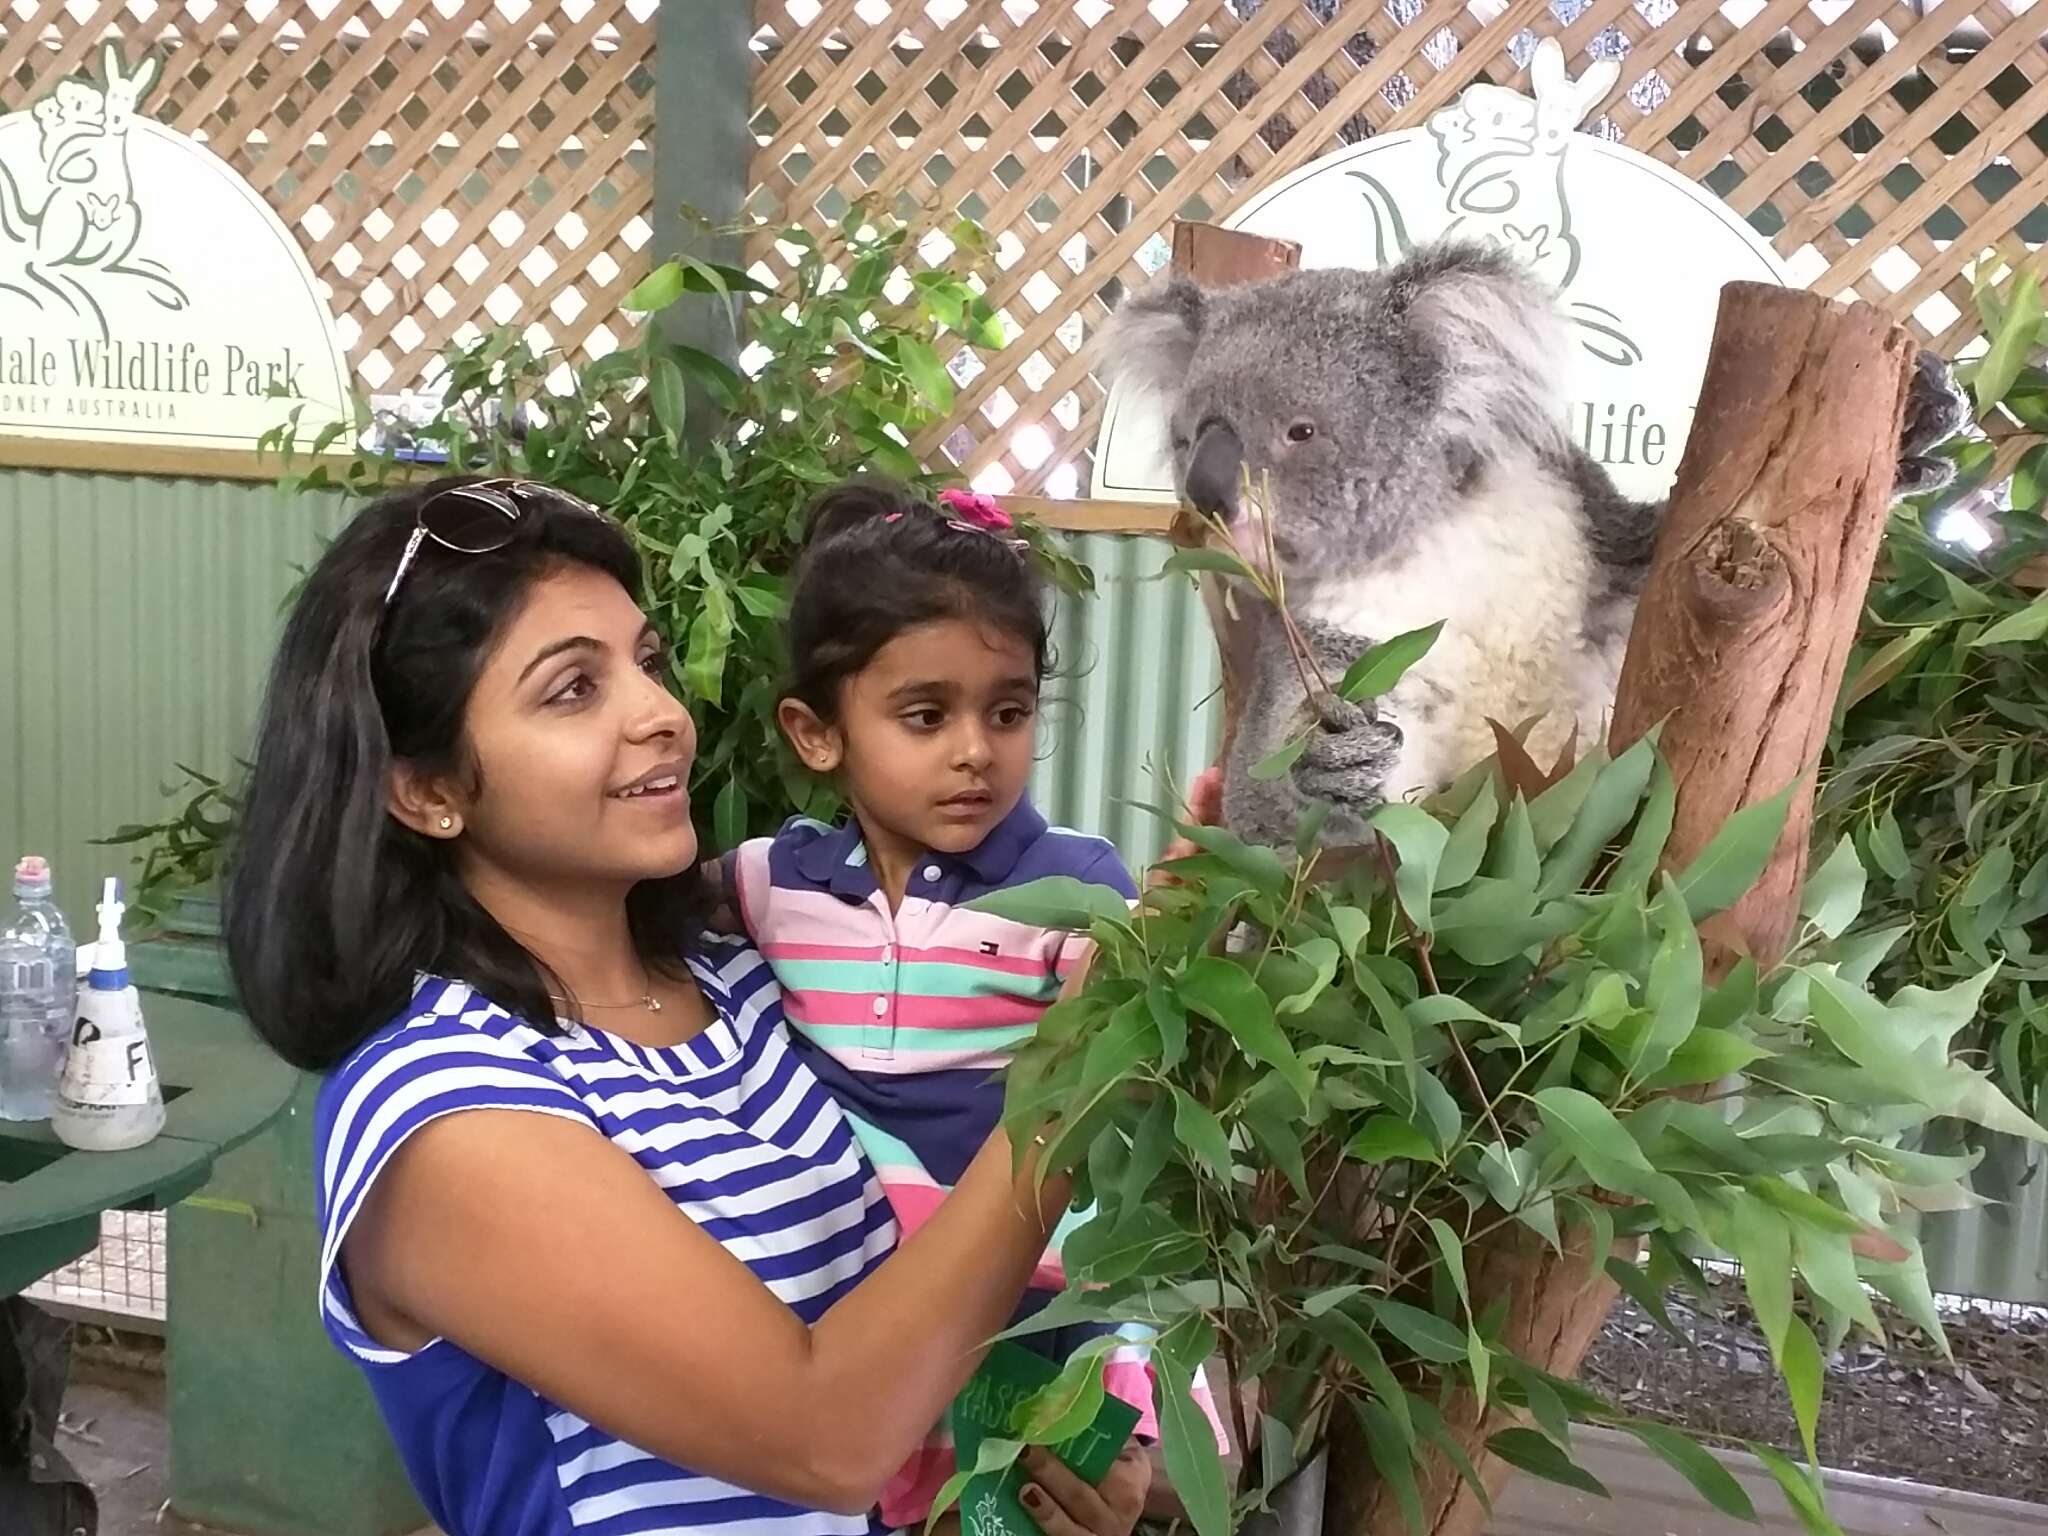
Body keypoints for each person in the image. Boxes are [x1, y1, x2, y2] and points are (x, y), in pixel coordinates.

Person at [222, 476, 1157, 1536]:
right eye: (574, 690)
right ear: (429, 789)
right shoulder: (441, 1105)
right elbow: (826, 1437)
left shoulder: (745, 982)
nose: (662, 716)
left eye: (649, 662)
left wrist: (1042, 1478)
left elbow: (914, 1331)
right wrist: (1081, 1065)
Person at [715, 478, 1223, 1527]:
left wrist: (1173, 927)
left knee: (1025, 1495)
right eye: (924, 715)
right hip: (855, 1294)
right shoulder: (770, 884)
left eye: (1007, 711)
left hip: (1028, 1286)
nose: (974, 750)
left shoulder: (1070, 884)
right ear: (816, 733)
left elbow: (1120, 1037)